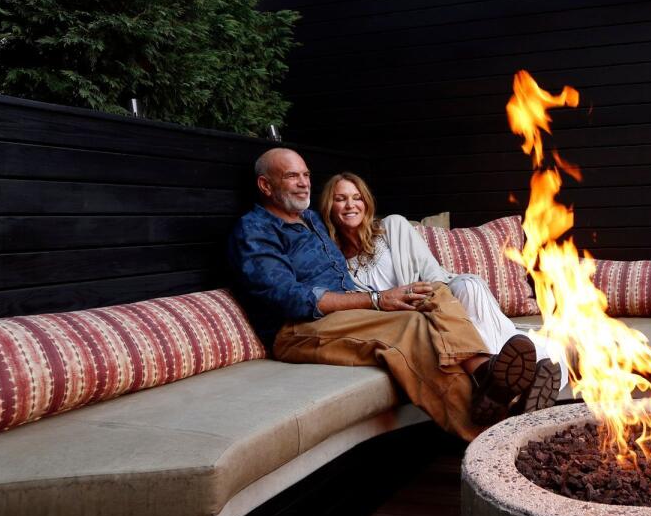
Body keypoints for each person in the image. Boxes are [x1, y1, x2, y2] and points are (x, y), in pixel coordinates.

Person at [227, 148, 543, 439]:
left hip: (344, 314)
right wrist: (378, 300)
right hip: (298, 328)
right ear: (265, 186)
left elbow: (352, 237)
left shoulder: (310, 220)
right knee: (412, 327)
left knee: (431, 293)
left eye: (306, 175)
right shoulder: (255, 230)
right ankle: (490, 430)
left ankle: (486, 373)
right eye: (291, 176)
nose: (302, 183)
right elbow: (289, 297)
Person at [318, 171, 565, 421]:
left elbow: (434, 275)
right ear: (329, 206)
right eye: (341, 199)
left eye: (356, 197)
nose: (350, 205)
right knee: (434, 323)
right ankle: (523, 380)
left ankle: (500, 384)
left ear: (366, 202)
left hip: (434, 298)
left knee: (469, 285)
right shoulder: (333, 264)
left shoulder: (393, 227)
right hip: (403, 322)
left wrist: (426, 297)